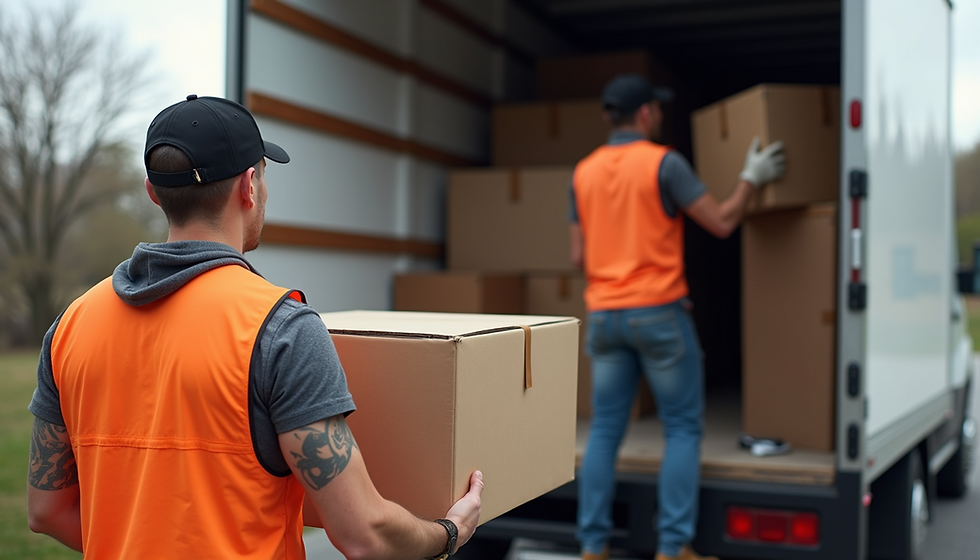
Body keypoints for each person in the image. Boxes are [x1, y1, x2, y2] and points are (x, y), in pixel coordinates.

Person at [26, 95, 483, 560]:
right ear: (249, 186)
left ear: (152, 191)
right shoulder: (279, 328)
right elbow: (364, 534)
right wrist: (448, 532)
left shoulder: (71, 325)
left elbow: (47, 510)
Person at [570, 75, 785, 560]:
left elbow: (577, 256)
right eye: (658, 109)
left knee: (605, 429)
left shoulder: (582, 173)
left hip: (604, 316)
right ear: (645, 114)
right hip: (659, 315)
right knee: (683, 427)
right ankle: (672, 549)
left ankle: (591, 548)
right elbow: (723, 221)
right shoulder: (664, 163)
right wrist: (752, 176)